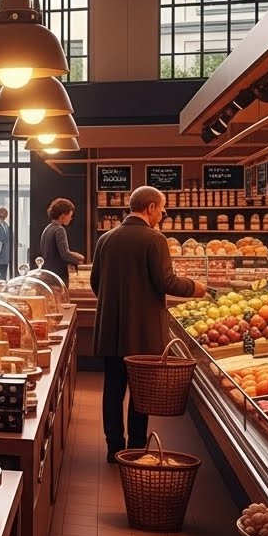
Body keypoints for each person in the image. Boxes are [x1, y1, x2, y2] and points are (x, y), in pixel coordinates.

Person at [92, 186, 208, 464]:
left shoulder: (105, 239)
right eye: (162, 209)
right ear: (151, 207)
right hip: (143, 333)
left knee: (112, 390)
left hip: (110, 330)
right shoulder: (155, 239)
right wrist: (197, 288)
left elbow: (96, 283)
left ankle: (113, 448)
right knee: (140, 393)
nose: (163, 214)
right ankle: (135, 447)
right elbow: (166, 282)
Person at [39, 198, 85, 282]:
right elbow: (65, 254)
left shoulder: (48, 228)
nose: (71, 218)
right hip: (58, 275)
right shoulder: (60, 229)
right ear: (63, 215)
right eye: (70, 215)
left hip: (48, 273)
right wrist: (80, 258)